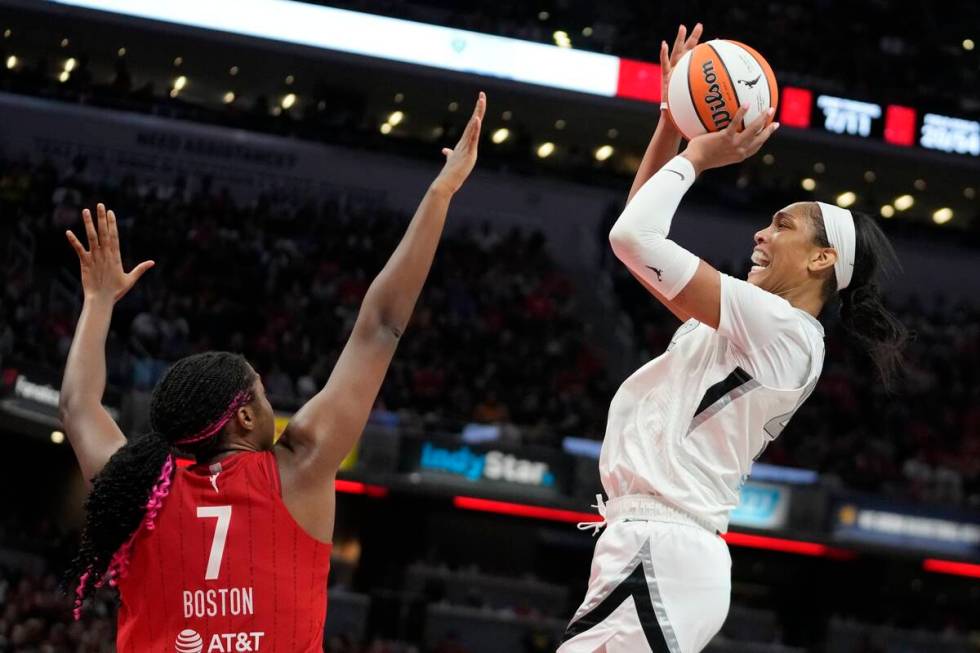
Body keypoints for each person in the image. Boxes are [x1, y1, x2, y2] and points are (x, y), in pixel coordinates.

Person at [59, 93, 487, 651]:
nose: (271, 406)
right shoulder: (300, 468)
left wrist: (97, 301)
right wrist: (440, 193)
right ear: (241, 417)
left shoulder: (136, 489)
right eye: (261, 395)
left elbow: (77, 406)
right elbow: (381, 325)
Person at [559, 25, 906, 653]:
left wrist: (697, 158)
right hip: (652, 545)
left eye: (782, 225)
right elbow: (637, 237)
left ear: (822, 259)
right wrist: (670, 126)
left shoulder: (786, 332)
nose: (761, 234)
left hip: (663, 547)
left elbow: (632, 240)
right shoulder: (756, 325)